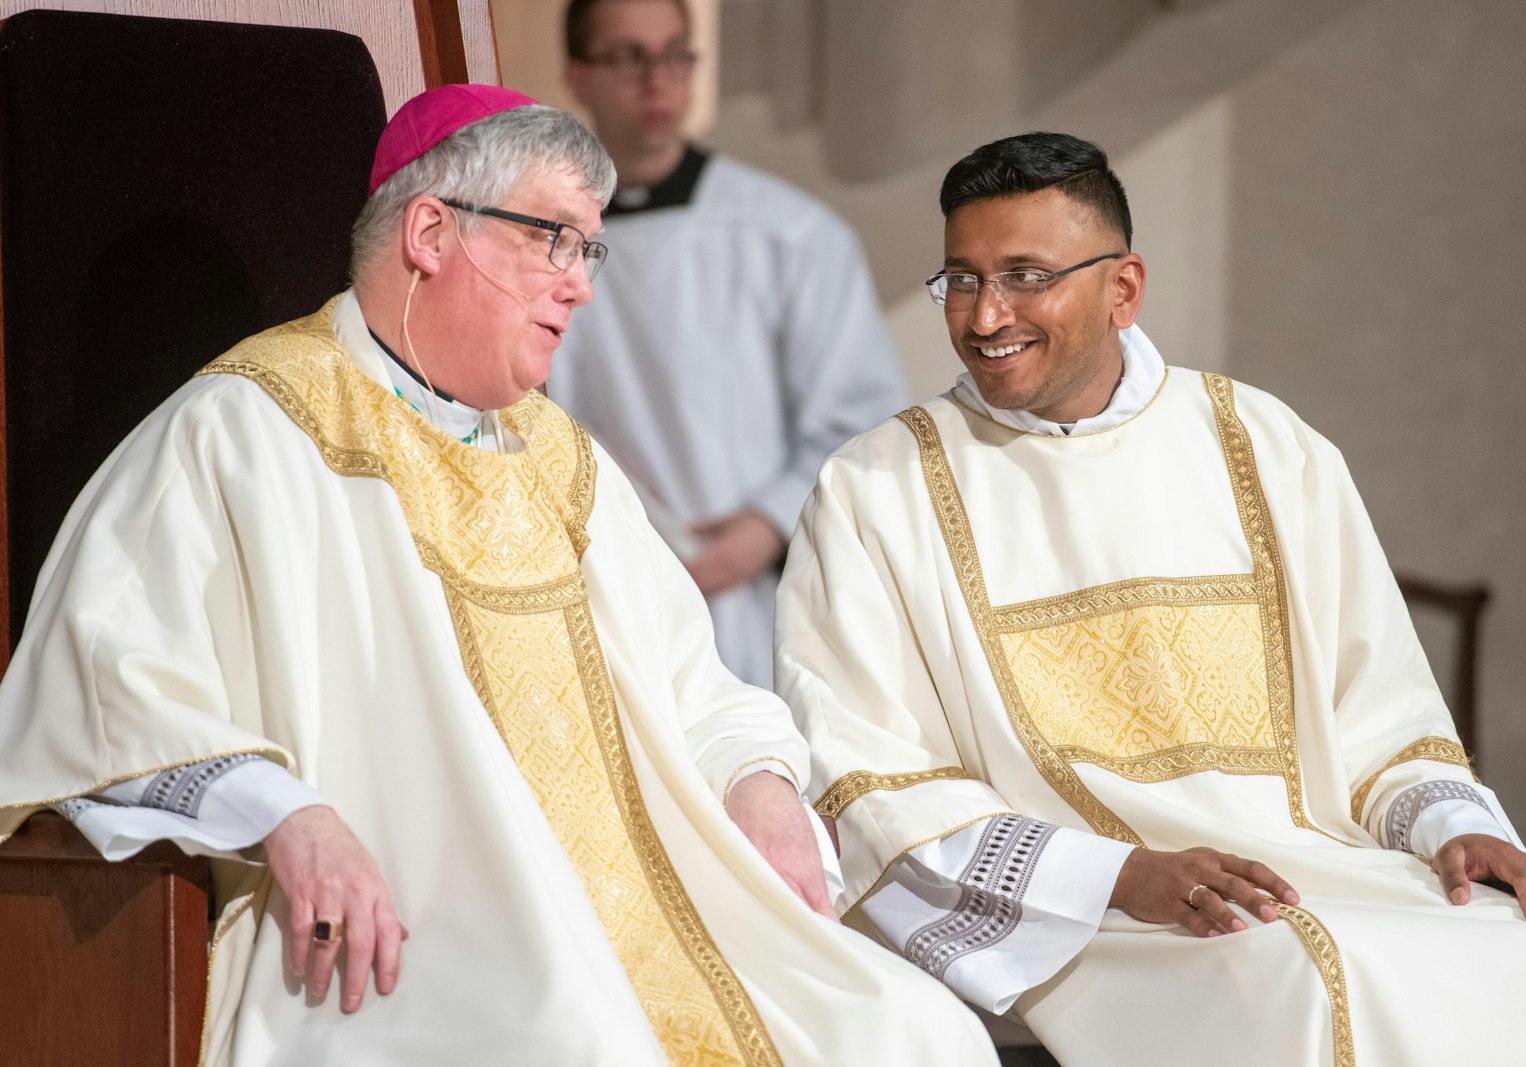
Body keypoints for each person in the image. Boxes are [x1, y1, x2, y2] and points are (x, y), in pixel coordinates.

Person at [0, 85, 1000, 1066]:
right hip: (408, 934)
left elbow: (697, 688)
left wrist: (763, 785)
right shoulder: (247, 429)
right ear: (432, 233)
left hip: (650, 913)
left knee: (918, 1031)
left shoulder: (559, 458)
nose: (581, 283)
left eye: (589, 245)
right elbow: (111, 678)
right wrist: (283, 811)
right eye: (552, 238)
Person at [774, 131, 1526, 1065]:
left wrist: (1459, 826)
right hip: (1082, 913)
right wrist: (1118, 875)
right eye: (960, 279)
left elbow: (1381, 718)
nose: (984, 314)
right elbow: (867, 775)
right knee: (1299, 978)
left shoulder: (1267, 445)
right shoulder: (877, 488)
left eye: (1024, 275)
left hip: (1314, 864)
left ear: (1123, 288)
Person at [548, 0, 907, 688]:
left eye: (675, 54)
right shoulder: (541, 243)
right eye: (627, 56)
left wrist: (765, 527)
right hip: (604, 594)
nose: (658, 80)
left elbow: (863, 421)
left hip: (755, 597)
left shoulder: (788, 233)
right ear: (577, 76)